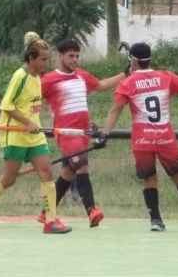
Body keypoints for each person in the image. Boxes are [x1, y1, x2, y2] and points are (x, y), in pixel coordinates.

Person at [0, 32, 72, 234]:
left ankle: (51, 221)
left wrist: (34, 124)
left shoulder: (37, 77)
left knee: (46, 171)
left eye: (47, 58)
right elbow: (6, 105)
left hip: (34, 136)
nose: (46, 63)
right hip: (15, 135)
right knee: (8, 178)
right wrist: (27, 122)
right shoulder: (20, 77)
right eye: (43, 59)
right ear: (31, 59)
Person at [101, 42, 178, 232]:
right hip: (165, 138)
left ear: (133, 61)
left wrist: (104, 134)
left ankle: (156, 220)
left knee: (149, 179)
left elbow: (115, 111)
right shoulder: (165, 77)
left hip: (142, 140)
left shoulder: (126, 83)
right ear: (150, 59)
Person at [38, 39, 124, 227]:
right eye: (71, 56)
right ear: (60, 56)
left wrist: (124, 74)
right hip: (67, 134)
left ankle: (46, 213)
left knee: (68, 174)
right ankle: (91, 210)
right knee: (82, 168)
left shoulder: (81, 75)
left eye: (77, 56)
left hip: (83, 134)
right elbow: (30, 97)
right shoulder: (48, 80)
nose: (75, 59)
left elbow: (101, 85)